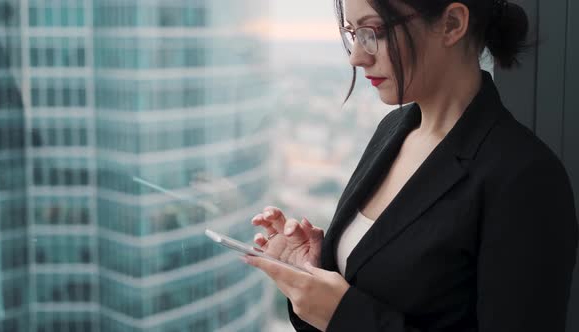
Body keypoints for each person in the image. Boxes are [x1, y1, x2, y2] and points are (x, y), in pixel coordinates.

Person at [242, 0, 578, 331]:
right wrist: (312, 274)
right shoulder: (393, 129)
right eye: (353, 33)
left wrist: (345, 316)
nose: (357, 57)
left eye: (375, 31)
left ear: (452, 24)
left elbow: (349, 315)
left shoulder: (525, 178)